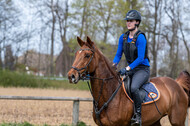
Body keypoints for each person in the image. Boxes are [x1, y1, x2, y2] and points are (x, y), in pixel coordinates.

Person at [112, 10, 150, 125]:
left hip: (142, 69)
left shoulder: (141, 38)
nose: (128, 23)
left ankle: (138, 116)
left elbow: (140, 58)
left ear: (137, 22)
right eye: (127, 21)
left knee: (133, 88)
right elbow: (118, 55)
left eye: (131, 21)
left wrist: (127, 68)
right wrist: (113, 65)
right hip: (131, 69)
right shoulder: (122, 38)